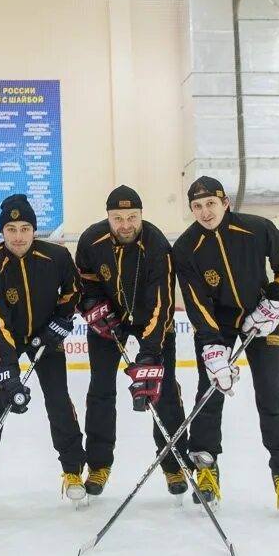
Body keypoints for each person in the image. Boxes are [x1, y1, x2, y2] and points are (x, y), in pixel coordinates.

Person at [172, 177, 279, 514]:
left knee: (271, 393)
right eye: (197, 206)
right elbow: (196, 301)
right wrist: (213, 347)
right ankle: (206, 470)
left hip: (261, 320)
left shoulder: (257, 228)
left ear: (225, 202)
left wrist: (274, 301)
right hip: (217, 326)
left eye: (210, 204)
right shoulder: (186, 248)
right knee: (209, 392)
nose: (205, 212)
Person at [0, 194, 87, 502]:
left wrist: (61, 321)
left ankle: (73, 470)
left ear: (34, 229)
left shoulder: (56, 257)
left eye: (24, 228)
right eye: (11, 229)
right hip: (4, 341)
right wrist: (7, 367)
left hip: (47, 338)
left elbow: (73, 290)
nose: (18, 236)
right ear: (2, 232)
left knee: (58, 400)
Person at [74, 185, 184, 498]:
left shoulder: (157, 244)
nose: (125, 224)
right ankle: (98, 465)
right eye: (118, 217)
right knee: (101, 391)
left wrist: (149, 356)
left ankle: (173, 463)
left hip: (153, 321)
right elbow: (85, 282)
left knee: (163, 392)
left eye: (132, 217)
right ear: (107, 216)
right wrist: (93, 308)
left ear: (141, 216)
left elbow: (162, 303)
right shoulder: (91, 241)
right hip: (109, 324)